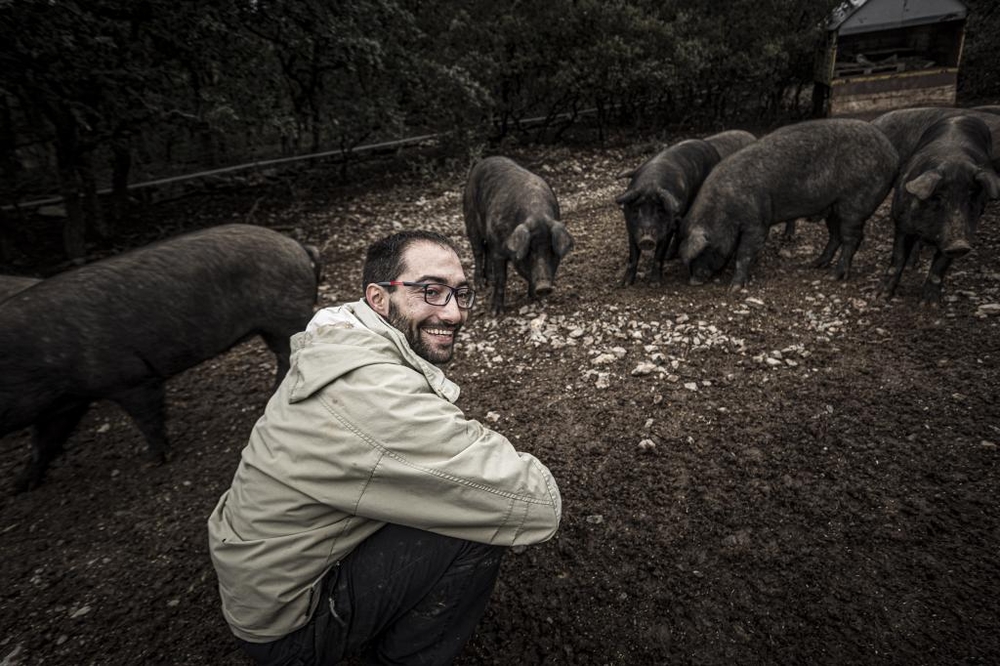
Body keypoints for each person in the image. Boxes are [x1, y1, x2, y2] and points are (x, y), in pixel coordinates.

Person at [207, 229, 562, 665]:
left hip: (262, 580)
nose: (453, 313)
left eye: (460, 294)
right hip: (288, 626)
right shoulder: (373, 389)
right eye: (431, 291)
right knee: (480, 520)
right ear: (378, 299)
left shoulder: (336, 340)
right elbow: (536, 504)